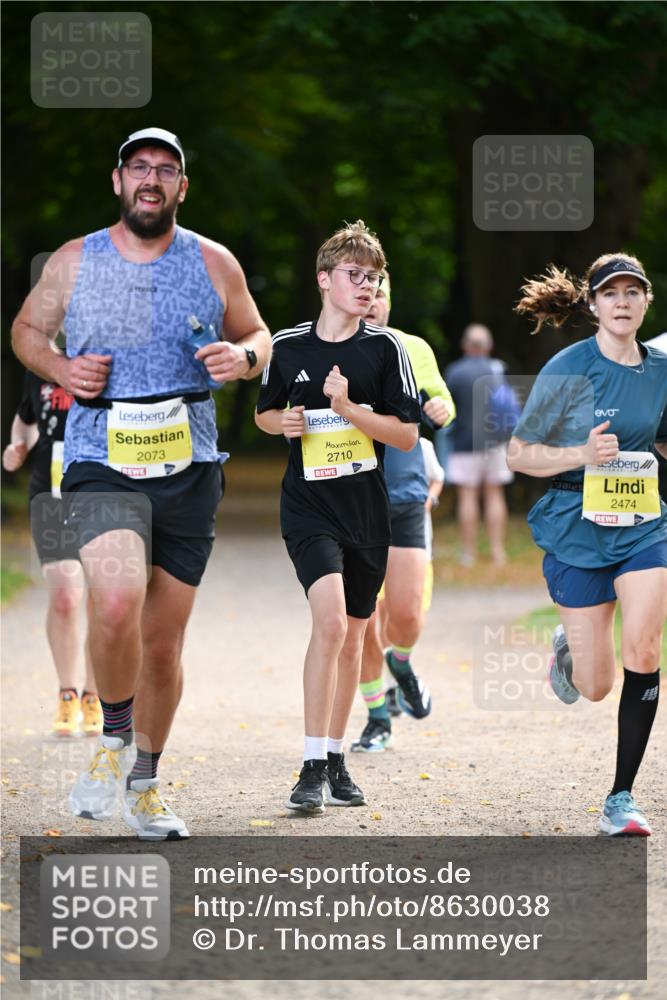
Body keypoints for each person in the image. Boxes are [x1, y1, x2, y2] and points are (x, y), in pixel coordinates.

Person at [12, 127, 271, 839]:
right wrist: (61, 371)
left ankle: (146, 782)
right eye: (139, 167)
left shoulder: (214, 262)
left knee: (162, 642)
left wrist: (242, 358)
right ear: (118, 181)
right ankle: (113, 740)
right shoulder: (74, 259)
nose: (151, 179)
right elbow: (27, 330)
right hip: (102, 453)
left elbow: (260, 333)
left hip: (189, 463)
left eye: (166, 170)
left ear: (181, 187)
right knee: (117, 600)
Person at [255, 220, 421, 813]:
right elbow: (265, 415)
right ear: (325, 279)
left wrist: (349, 408)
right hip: (308, 506)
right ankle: (308, 765)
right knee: (328, 623)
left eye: (373, 278)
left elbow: (404, 436)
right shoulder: (290, 345)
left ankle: (334, 756)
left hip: (366, 509)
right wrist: (286, 423)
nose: (367, 286)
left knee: (354, 635)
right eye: (355, 275)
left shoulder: (384, 348)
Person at [509, 253, 667, 836]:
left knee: (645, 650)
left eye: (634, 292)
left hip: (645, 524)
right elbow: (519, 455)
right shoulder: (567, 368)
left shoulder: (662, 368)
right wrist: (581, 454)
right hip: (575, 524)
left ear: (646, 302)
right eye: (611, 293)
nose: (622, 301)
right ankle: (570, 652)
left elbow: (664, 438)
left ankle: (621, 797)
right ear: (593, 303)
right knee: (597, 686)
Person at [349, 280, 454, 752]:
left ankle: (404, 664)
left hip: (406, 491)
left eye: (379, 296)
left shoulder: (413, 347)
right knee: (363, 619)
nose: (372, 304)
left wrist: (439, 407)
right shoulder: (325, 346)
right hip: (349, 495)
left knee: (407, 615)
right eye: (363, 295)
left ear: (389, 302)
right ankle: (376, 717)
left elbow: (444, 403)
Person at [2, 370, 102, 737]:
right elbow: (26, 419)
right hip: (51, 497)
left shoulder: (108, 358)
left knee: (100, 598)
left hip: (101, 494)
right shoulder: (39, 367)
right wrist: (19, 445)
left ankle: (94, 694)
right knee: (65, 597)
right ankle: (66, 692)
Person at [444, 324, 516, 566]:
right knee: (495, 494)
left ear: (465, 345)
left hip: (464, 442)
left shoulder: (454, 372)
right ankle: (498, 552)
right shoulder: (498, 368)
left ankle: (469, 553)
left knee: (467, 496)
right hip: (496, 442)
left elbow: (445, 409)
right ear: (488, 346)